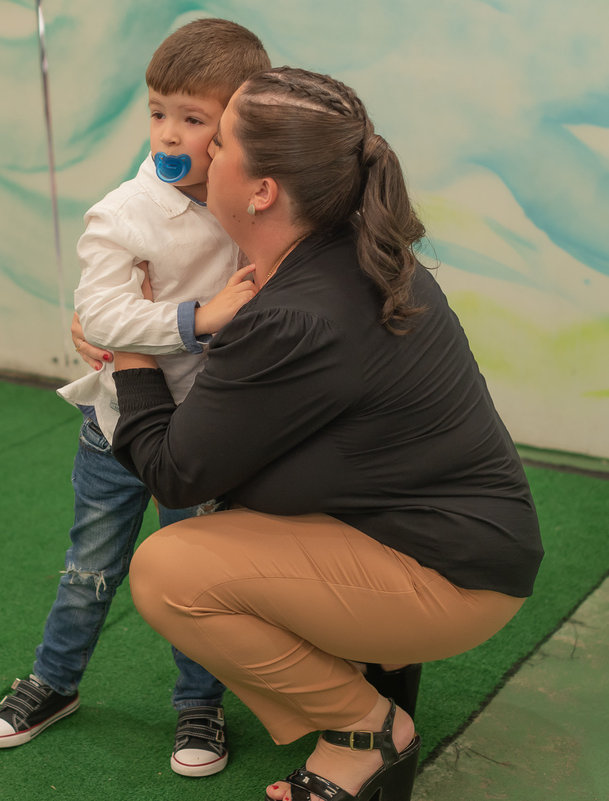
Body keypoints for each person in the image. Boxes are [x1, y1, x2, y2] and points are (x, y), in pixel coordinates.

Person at [108, 67, 544, 801]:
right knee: (239, 519)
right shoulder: (350, 249)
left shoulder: (296, 313)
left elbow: (175, 472)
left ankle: (367, 731)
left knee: (169, 571)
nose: (199, 150)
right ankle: (378, 689)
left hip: (451, 577)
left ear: (263, 191)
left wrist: (128, 345)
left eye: (219, 140)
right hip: (453, 544)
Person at [0, 18, 270, 778]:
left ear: (237, 126)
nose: (170, 132)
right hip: (116, 429)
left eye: (194, 118)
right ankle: (53, 680)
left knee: (194, 576)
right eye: (158, 111)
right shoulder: (126, 211)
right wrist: (195, 319)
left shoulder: (258, 208)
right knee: (91, 566)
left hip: (204, 436)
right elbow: (100, 315)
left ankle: (199, 704)